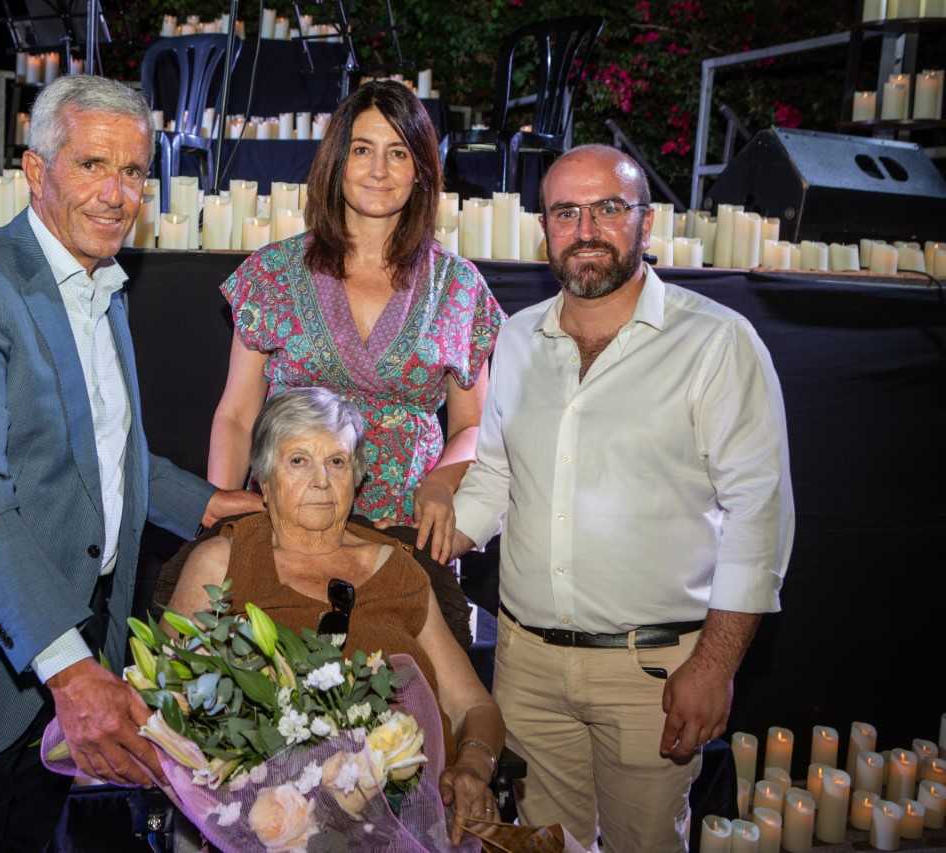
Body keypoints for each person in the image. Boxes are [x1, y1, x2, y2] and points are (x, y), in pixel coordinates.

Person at [0, 75, 261, 851]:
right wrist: (70, 671)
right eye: (92, 165)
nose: (116, 193)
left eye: (132, 171)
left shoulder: (101, 283)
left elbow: (103, 447)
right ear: (36, 171)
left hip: (69, 637)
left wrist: (205, 504)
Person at [443, 145, 795, 851]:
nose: (586, 230)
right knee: (544, 843)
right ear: (544, 228)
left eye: (607, 208)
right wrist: (409, 542)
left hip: (653, 674)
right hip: (528, 670)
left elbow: (759, 513)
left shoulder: (717, 344)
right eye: (565, 212)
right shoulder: (518, 338)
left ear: (646, 221)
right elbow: (496, 478)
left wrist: (714, 664)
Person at [171, 387, 506, 846]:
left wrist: (473, 765)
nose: (321, 481)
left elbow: (472, 705)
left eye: (337, 462)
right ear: (263, 480)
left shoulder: (399, 570)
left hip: (410, 818)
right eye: (298, 461)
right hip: (268, 826)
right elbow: (169, 707)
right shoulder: (222, 563)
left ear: (357, 477)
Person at [208, 81, 504, 561]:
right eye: (363, 150)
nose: (379, 170)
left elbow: (471, 426)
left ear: (421, 170)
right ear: (337, 161)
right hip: (288, 527)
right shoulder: (272, 272)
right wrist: (222, 515)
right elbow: (238, 415)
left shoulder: (458, 285)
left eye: (398, 153)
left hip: (404, 532)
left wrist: (442, 483)